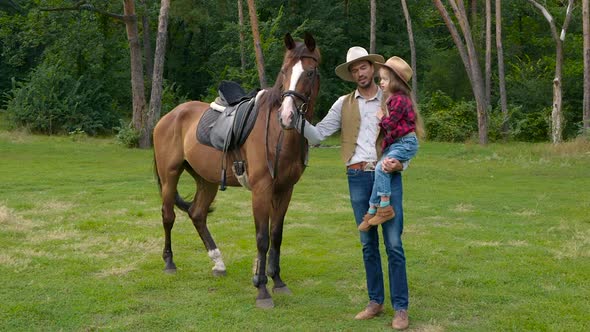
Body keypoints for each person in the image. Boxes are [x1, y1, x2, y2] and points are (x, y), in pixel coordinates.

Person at [299, 47, 411, 330]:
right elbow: (319, 135)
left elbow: (407, 136)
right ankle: (375, 302)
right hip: (358, 178)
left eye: (363, 67)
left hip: (386, 177)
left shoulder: (392, 98)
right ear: (350, 75)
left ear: (372, 68)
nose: (359, 73)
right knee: (367, 244)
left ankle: (401, 308)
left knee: (394, 244)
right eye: (354, 70)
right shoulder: (342, 103)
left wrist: (401, 165)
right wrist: (296, 119)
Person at [362, 56, 421, 230]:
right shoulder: (394, 99)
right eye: (381, 79)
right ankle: (372, 210)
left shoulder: (399, 100)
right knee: (380, 171)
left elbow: (391, 125)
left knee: (381, 168)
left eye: (385, 79)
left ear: (395, 81)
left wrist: (381, 118)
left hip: (405, 143)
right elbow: (392, 132)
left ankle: (385, 208)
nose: (381, 82)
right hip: (398, 143)